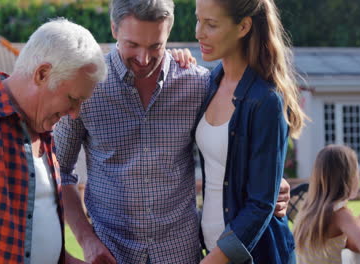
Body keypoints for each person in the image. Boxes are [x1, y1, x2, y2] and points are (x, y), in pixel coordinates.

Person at [53, 0, 290, 263]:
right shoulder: (87, 89)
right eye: (133, 45)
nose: (144, 59)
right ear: (113, 29)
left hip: (182, 253)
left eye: (155, 46)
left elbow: (233, 145)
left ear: (169, 31)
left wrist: (271, 185)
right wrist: (87, 240)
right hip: (112, 253)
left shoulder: (197, 83)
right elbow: (59, 170)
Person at [0, 18, 107, 264]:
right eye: (73, 98)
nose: (75, 113)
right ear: (42, 74)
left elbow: (32, 239)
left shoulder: (44, 130)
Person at [193, 0, 305, 263]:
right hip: (213, 249)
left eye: (211, 24)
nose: (198, 32)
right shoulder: (208, 83)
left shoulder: (265, 101)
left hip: (257, 255)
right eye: (198, 20)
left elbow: (260, 204)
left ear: (243, 26)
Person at [293, 145, 360, 264]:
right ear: (349, 179)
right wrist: (357, 226)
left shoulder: (308, 210)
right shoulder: (339, 213)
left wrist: (356, 223)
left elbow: (337, 243)